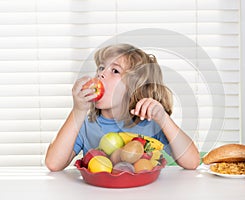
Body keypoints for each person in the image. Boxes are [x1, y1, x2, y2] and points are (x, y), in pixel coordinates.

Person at [45, 43, 200, 171]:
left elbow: (192, 162)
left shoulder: (150, 124)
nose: (101, 74)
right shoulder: (85, 124)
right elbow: (53, 163)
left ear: (134, 87)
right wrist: (78, 110)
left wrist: (163, 119)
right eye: (101, 68)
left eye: (115, 70)